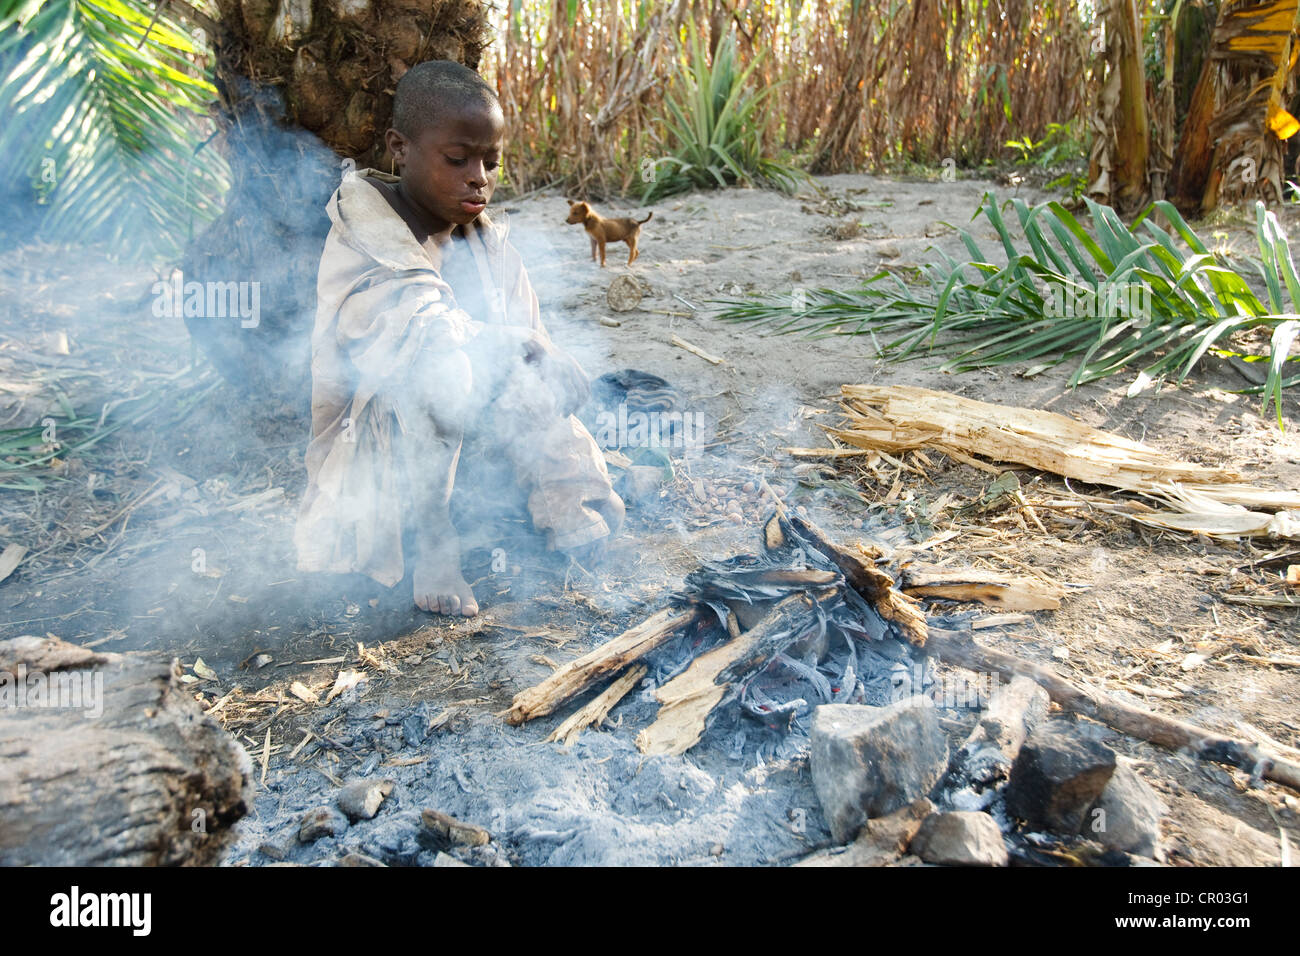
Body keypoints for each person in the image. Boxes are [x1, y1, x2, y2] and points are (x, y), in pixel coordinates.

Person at [294, 60, 624, 616]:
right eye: (458, 159)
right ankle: (436, 547)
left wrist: (543, 362)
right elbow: (421, 335)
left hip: (472, 456)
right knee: (444, 366)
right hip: (378, 465)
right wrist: (519, 341)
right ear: (400, 147)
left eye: (491, 162)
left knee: (531, 368)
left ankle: (549, 508)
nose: (480, 177)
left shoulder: (486, 243)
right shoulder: (362, 236)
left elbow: (530, 349)